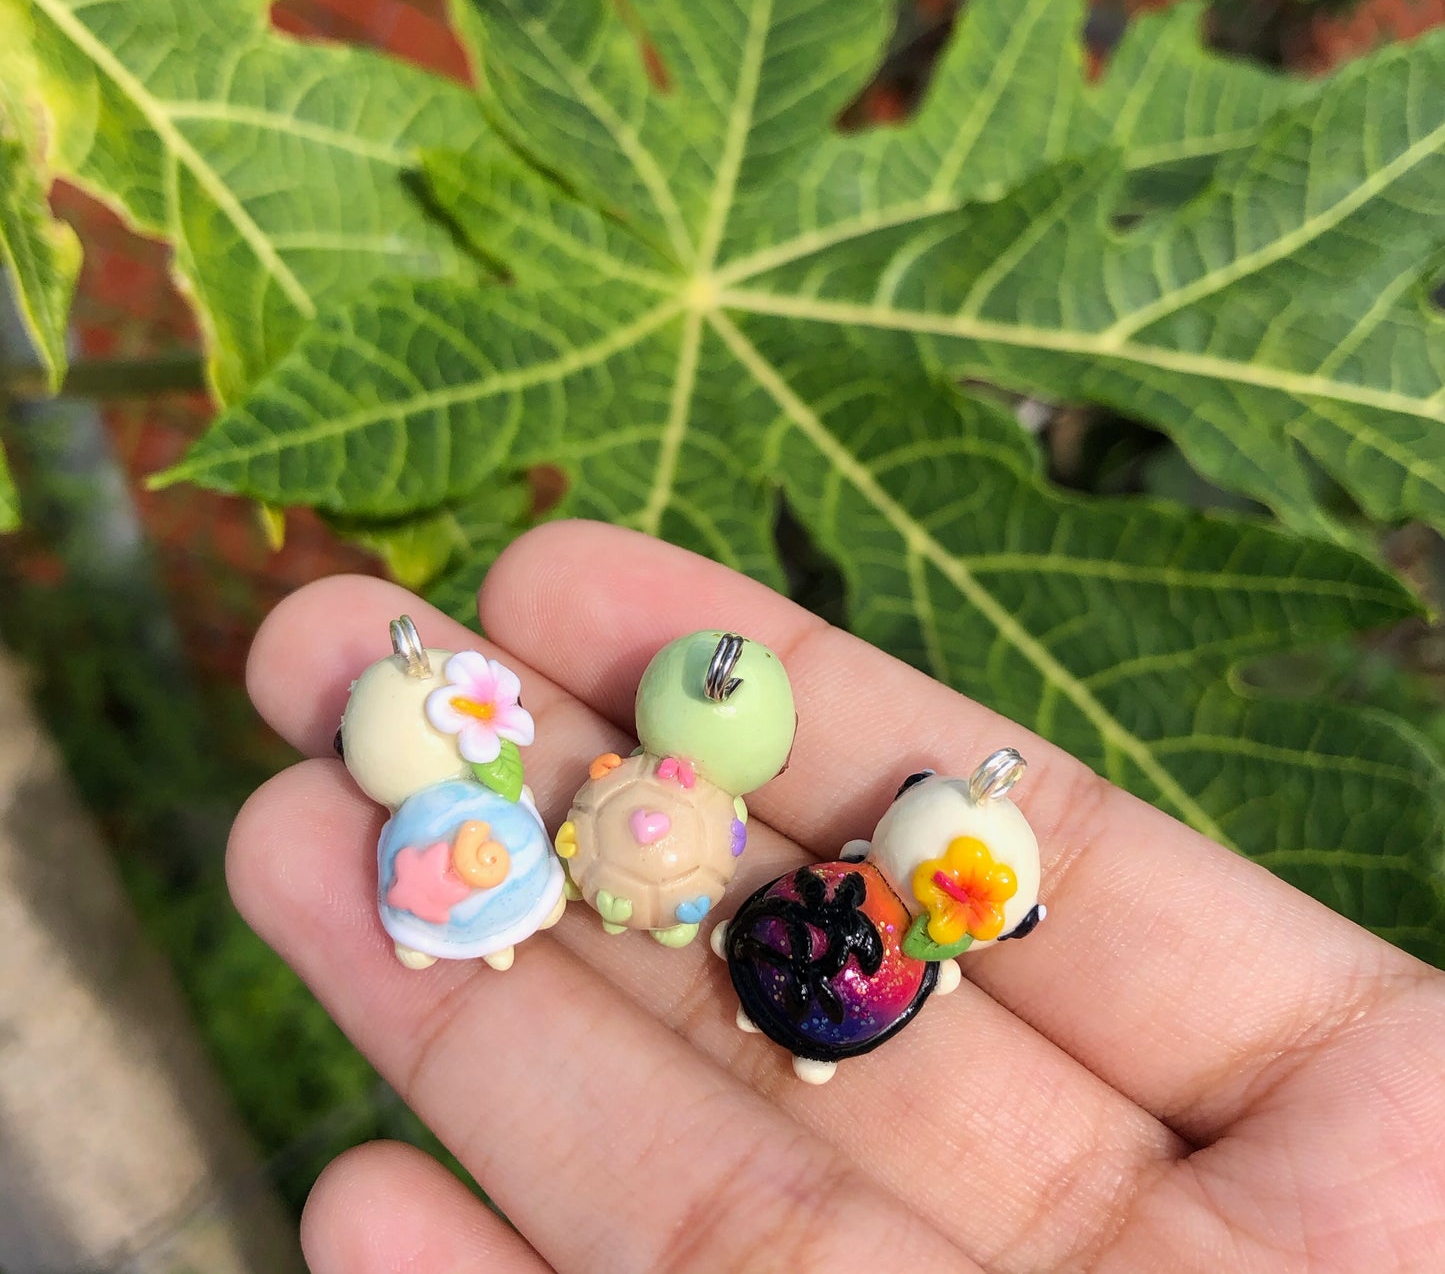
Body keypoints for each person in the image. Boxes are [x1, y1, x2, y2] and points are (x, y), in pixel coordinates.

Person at [233, 521, 1445, 1272]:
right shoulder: (704, 824)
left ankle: (782, 1007)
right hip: (677, 890)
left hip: (795, 958)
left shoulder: (899, 903)